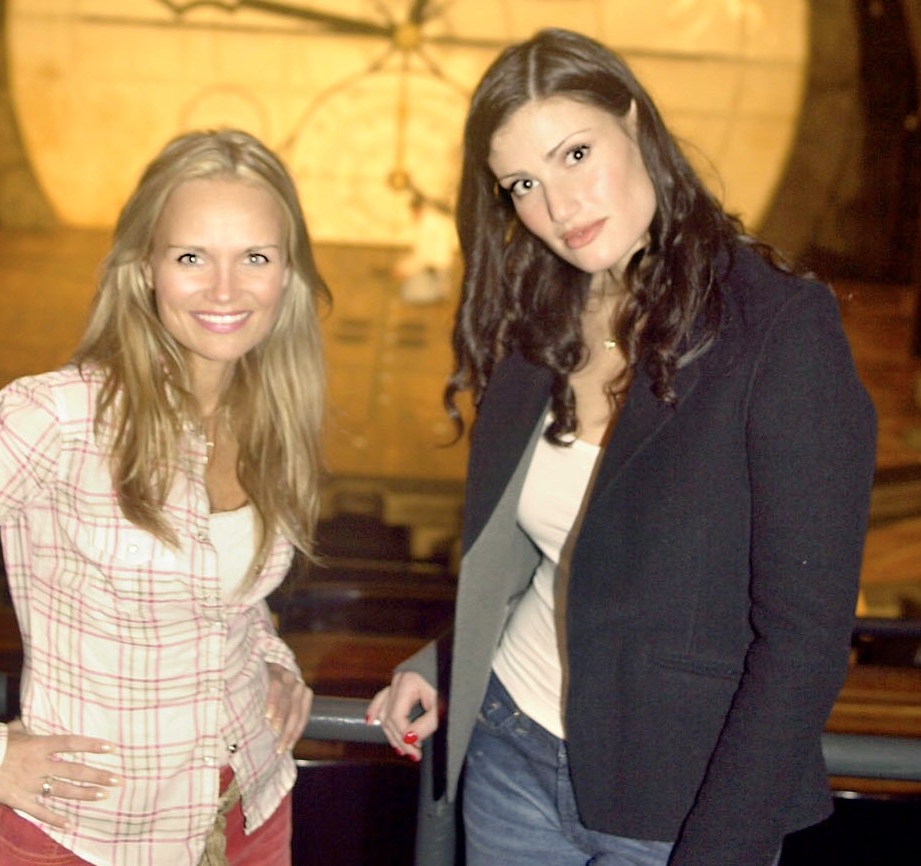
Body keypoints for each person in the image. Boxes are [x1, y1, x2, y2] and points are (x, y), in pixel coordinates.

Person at [367, 28, 877, 866]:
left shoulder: (778, 329)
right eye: (523, 183)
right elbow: (561, 554)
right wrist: (447, 657)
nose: (560, 208)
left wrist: (724, 847)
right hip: (508, 749)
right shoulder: (537, 318)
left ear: (634, 121)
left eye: (575, 153)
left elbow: (805, 640)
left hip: (676, 802)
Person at [0, 128, 329, 866]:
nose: (225, 289)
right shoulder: (63, 419)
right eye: (192, 256)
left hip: (250, 815)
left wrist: (271, 661)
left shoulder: (269, 416)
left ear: (286, 274)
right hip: (82, 838)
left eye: (253, 257)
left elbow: (219, 596)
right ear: (144, 270)